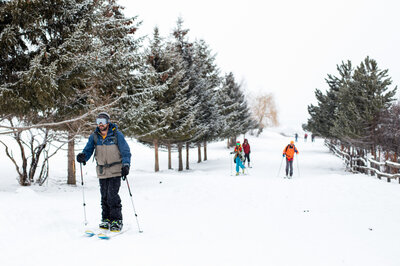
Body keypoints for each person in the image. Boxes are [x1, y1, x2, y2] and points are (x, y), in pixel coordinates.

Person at [77, 112, 131, 232]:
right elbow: (88, 150)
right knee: (104, 196)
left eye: (103, 121)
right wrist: (83, 156)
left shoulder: (117, 135)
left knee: (112, 195)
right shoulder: (95, 137)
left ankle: (116, 220)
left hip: (116, 169)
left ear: (108, 122)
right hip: (102, 170)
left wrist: (126, 165)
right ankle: (106, 219)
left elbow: (126, 151)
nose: (100, 124)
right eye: (98, 122)